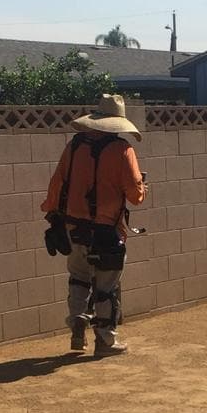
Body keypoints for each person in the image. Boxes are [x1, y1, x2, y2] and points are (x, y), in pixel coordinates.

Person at [42, 93, 146, 357]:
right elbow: (135, 196)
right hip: (107, 229)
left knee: (79, 278)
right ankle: (106, 341)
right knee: (106, 287)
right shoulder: (123, 150)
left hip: (73, 225)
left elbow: (57, 183)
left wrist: (53, 214)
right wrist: (143, 188)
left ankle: (78, 321)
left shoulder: (74, 146)